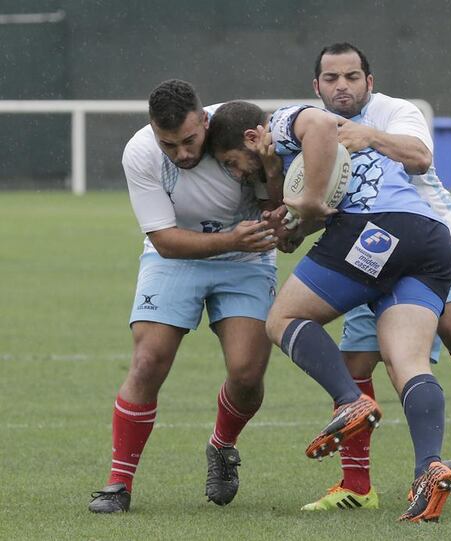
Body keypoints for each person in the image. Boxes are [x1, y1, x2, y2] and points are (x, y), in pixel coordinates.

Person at [208, 97, 451, 522]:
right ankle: (428, 470)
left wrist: (304, 201)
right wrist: (290, 211)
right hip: (429, 239)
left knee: (282, 318)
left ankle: (349, 400)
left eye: (232, 162)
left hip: (377, 228)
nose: (236, 173)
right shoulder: (289, 164)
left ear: (254, 136)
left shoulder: (284, 121)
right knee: (411, 364)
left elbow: (321, 126)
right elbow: (304, 223)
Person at [293, 42, 451, 513]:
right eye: (331, 79)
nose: (342, 86)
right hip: (370, 245)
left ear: (369, 82)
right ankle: (356, 485)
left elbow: (418, 156)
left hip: (440, 236)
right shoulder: (311, 127)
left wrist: (368, 135)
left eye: (352, 77)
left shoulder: (395, 111)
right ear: (317, 86)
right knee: (356, 360)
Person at [88, 79, 280, 513]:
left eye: (190, 141)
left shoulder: (241, 128)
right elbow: (166, 241)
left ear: (206, 121)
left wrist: (273, 176)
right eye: (169, 144)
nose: (183, 154)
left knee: (247, 374)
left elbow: (281, 204)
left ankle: (222, 446)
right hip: (176, 256)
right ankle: (118, 483)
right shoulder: (141, 152)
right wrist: (232, 238)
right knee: (148, 359)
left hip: (246, 260)